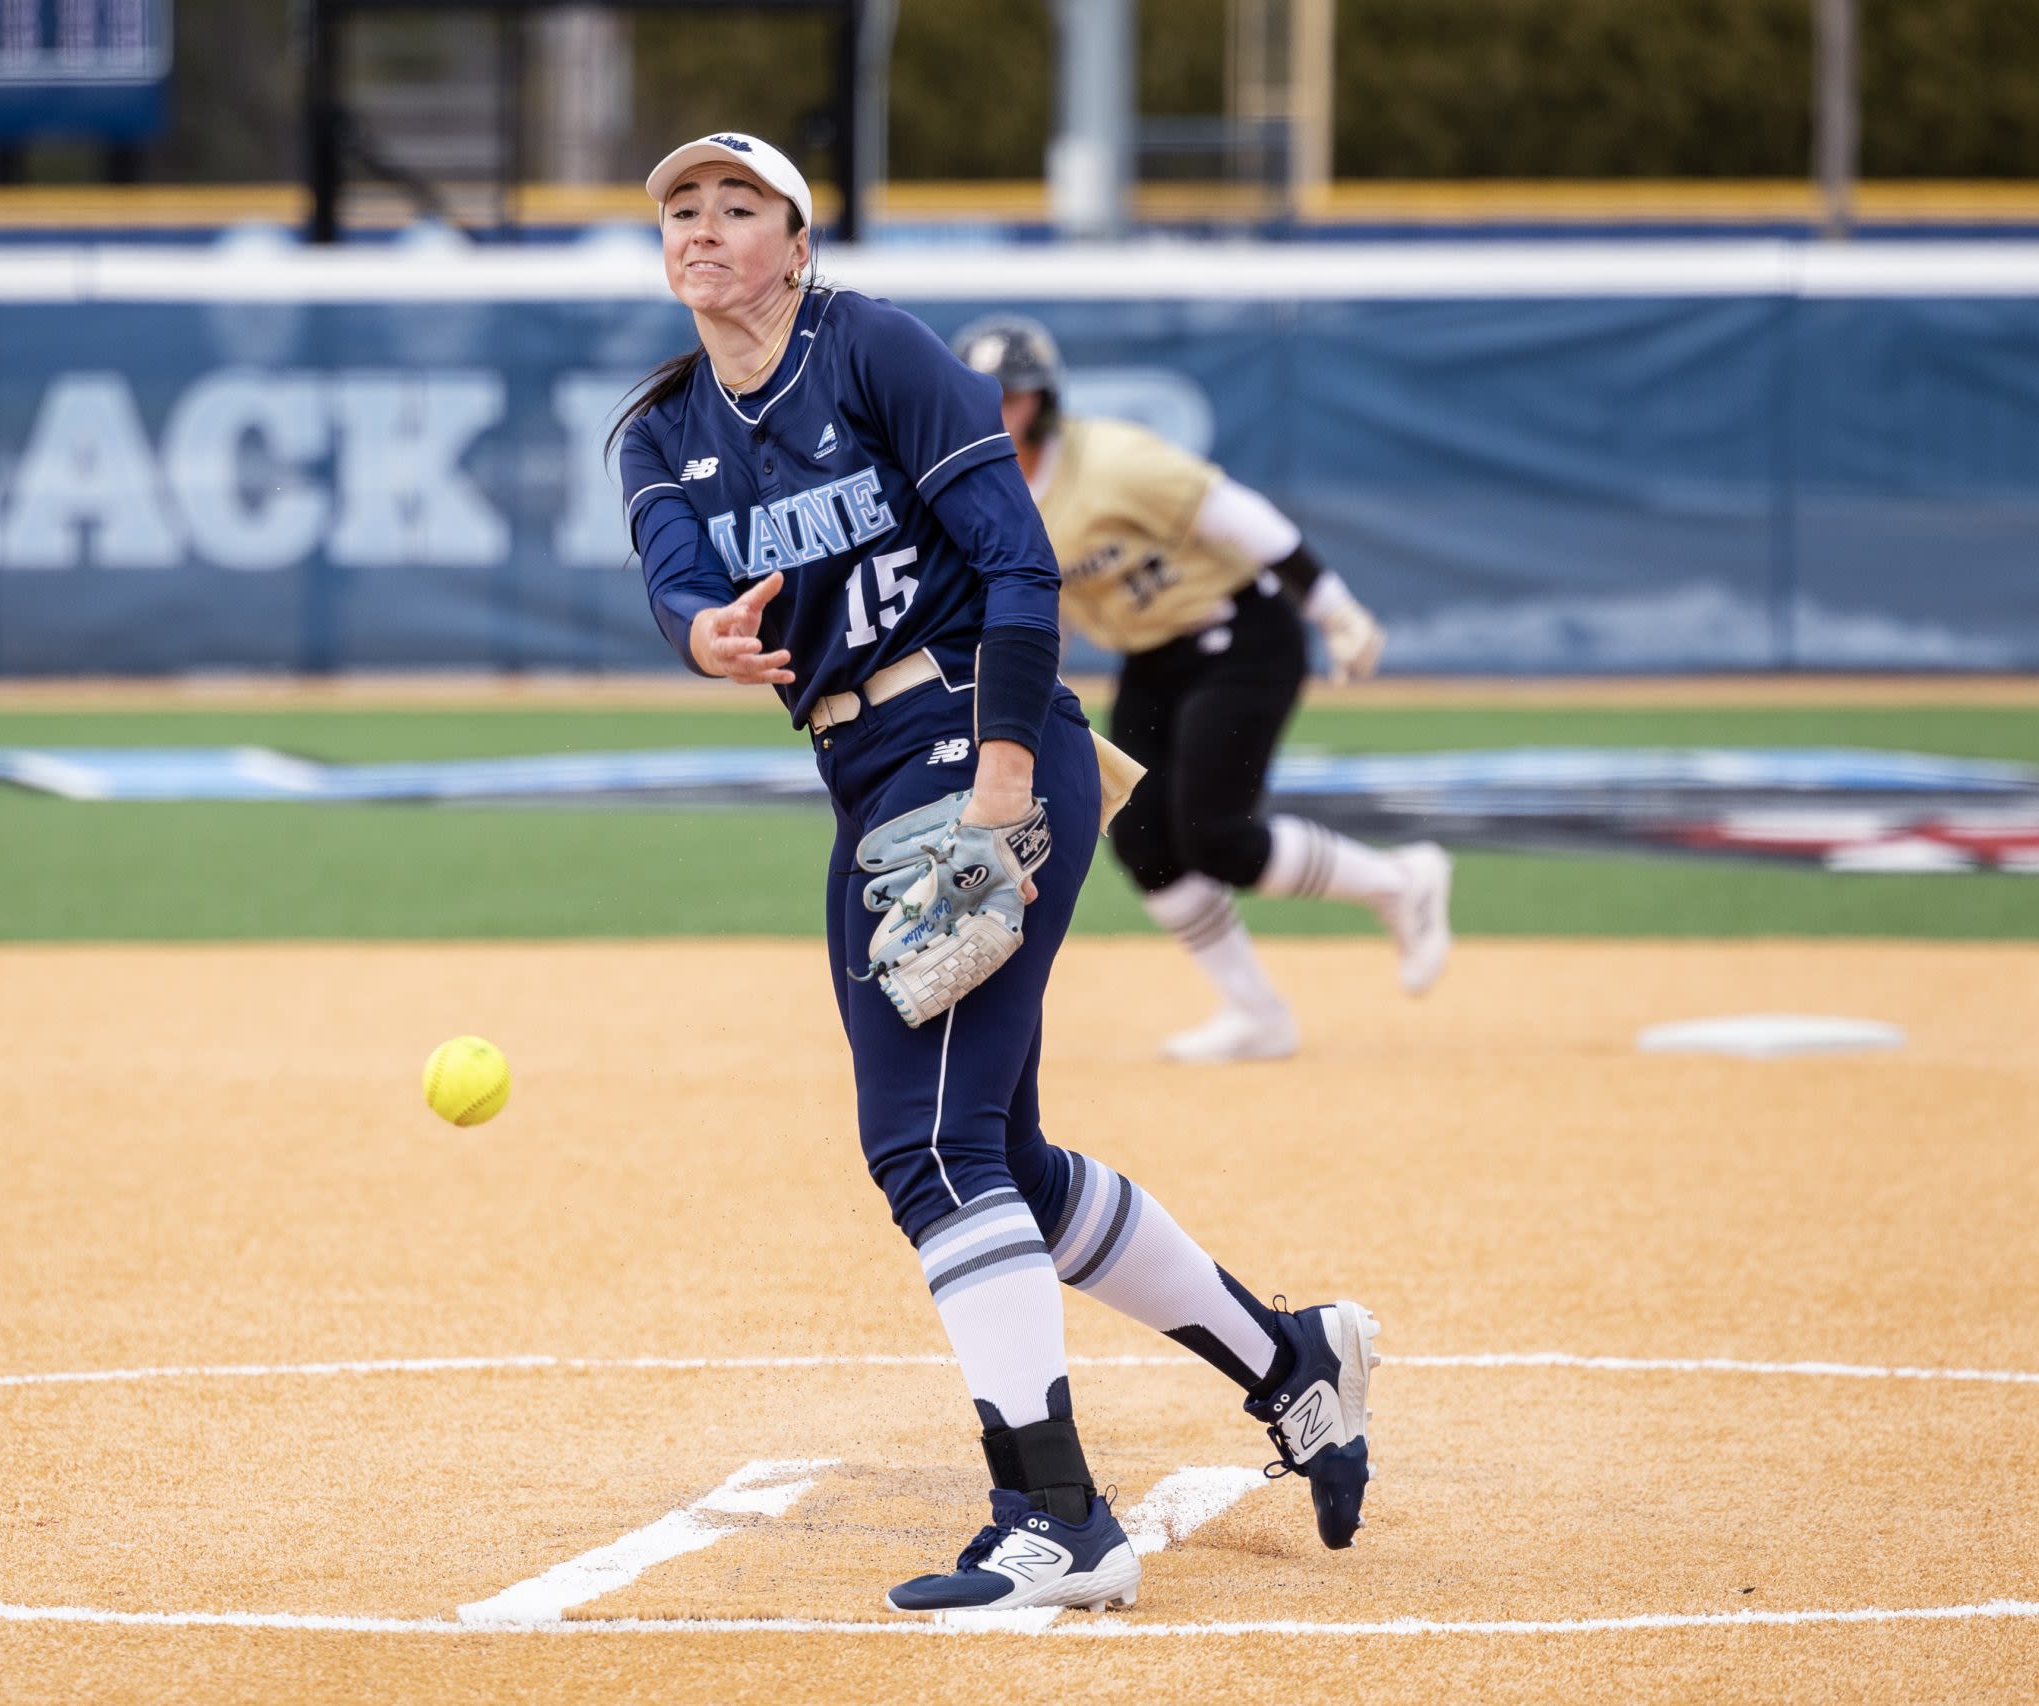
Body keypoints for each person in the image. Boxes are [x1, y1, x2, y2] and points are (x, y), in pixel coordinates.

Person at [613, 133, 1380, 1615]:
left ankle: (1054, 1514)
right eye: (680, 211)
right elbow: (672, 569)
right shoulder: (661, 426)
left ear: (794, 237)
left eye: (736, 206)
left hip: (980, 740)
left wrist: (1007, 782)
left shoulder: (880, 352)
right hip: (865, 785)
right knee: (998, 1155)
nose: (703, 231)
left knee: (926, 1146)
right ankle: (1293, 1360)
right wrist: (700, 633)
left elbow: (1019, 563)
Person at [949, 316, 1452, 1066]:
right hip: (1150, 655)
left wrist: (1335, 609)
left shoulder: (1113, 462)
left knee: (1216, 833)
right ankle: (1257, 1014)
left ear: (1043, 399)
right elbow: (1036, 604)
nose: (1001, 411)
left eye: (1014, 395)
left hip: (1240, 635)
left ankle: (1398, 881)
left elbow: (1243, 517)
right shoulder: (983, 491)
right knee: (1143, 837)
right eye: (985, 396)